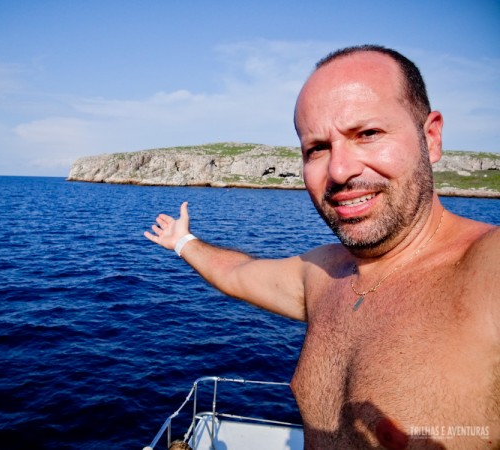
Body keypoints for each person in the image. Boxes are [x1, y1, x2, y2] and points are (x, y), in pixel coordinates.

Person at [144, 45, 499, 449]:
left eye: (368, 134)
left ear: (430, 137)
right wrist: (183, 241)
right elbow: (236, 273)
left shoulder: (487, 269)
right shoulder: (324, 273)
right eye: (317, 148)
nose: (339, 170)